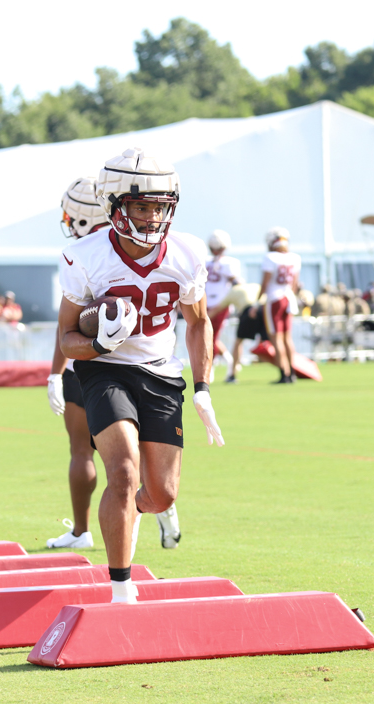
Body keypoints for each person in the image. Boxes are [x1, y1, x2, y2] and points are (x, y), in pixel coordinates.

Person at [57, 147, 224, 604]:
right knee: (124, 472)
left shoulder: (187, 252)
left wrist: (204, 388)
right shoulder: (84, 255)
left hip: (161, 374)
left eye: (158, 206)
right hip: (105, 371)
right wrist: (99, 344)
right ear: (114, 205)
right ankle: (121, 588)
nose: (151, 217)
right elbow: (67, 338)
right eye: (140, 206)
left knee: (162, 494)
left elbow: (198, 321)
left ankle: (158, 513)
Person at [45, 177, 109, 550]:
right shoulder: (134, 247)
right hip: (138, 362)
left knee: (82, 451)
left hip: (84, 365)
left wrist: (55, 374)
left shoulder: (78, 254)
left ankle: (82, 532)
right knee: (133, 454)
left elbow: (67, 323)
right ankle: (156, 500)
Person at [259, 227, 301, 384]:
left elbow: (265, 282)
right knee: (288, 338)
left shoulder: (270, 257)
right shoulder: (295, 257)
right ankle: (293, 372)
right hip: (289, 298)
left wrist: (258, 300)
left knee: (276, 338)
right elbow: (295, 284)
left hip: (274, 299)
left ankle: (284, 372)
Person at [204, 230, 242, 381]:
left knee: (210, 337)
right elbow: (236, 282)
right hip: (218, 303)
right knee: (209, 336)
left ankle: (209, 369)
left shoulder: (206, 261)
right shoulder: (228, 262)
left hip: (213, 304)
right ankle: (227, 359)